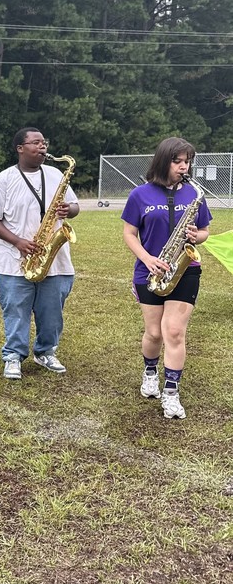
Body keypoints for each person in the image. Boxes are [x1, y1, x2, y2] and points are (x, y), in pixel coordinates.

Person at [121, 137, 212, 420]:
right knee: (155, 333)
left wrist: (198, 236)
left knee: (174, 331)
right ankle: (150, 371)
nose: (184, 167)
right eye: (177, 161)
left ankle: (171, 391)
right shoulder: (140, 195)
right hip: (150, 271)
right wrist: (147, 259)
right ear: (163, 161)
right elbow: (128, 234)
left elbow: (205, 231)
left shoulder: (194, 194)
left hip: (185, 270)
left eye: (187, 162)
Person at [0, 128, 79, 379]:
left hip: (55, 259)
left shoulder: (57, 174)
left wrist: (70, 209)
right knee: (16, 309)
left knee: (51, 310)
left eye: (44, 142)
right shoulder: (4, 179)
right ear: (20, 148)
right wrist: (18, 242)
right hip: (14, 259)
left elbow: (75, 205)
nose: (42, 147)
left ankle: (46, 351)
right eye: (35, 143)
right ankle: (13, 356)